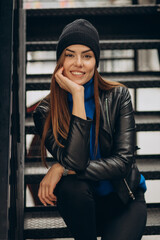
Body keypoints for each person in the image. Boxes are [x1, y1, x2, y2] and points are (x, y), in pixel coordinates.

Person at [33, 19, 147, 240]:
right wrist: (76, 95)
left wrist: (61, 169)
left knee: (68, 177)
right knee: (70, 187)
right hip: (82, 207)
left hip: (124, 201)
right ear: (60, 61)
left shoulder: (118, 96)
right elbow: (74, 162)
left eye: (87, 56)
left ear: (96, 61)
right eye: (70, 55)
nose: (79, 63)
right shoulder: (46, 112)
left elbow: (123, 163)